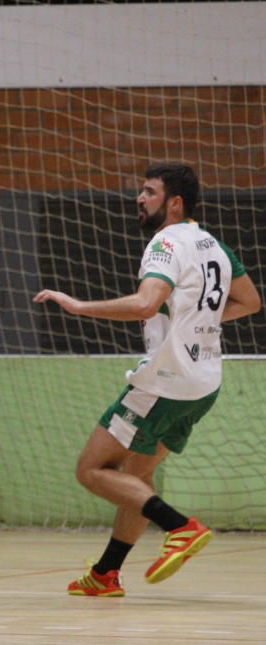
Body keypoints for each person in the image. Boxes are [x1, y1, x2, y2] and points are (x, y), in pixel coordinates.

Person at [34, 162, 261, 597]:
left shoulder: (167, 241)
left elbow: (143, 304)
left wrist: (79, 307)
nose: (140, 198)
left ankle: (180, 527)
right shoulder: (214, 245)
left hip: (165, 382)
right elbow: (250, 302)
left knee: (92, 469)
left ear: (174, 203)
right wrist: (193, 320)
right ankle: (106, 573)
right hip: (204, 382)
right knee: (137, 478)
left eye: (149, 192)